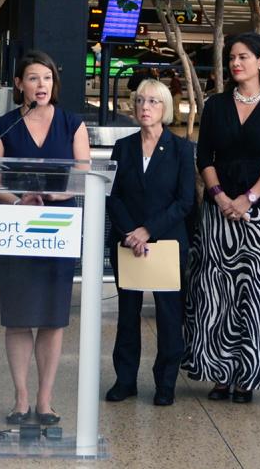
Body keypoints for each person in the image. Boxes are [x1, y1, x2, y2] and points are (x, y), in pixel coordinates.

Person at [182, 32, 260, 404]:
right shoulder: (215, 105)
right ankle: (219, 373)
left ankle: (248, 375)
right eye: (231, 57)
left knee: (257, 294)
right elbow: (204, 158)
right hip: (218, 213)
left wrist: (247, 199)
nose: (235, 63)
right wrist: (220, 197)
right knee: (216, 294)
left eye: (243, 56)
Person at [0, 50, 90, 425]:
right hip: (16, 229)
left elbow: (82, 175)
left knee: (51, 317)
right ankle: (21, 398)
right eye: (32, 78)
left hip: (57, 228)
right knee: (17, 317)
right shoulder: (3, 126)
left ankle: (45, 400)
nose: (41, 85)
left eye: (46, 78)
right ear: (19, 85)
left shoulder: (72, 124)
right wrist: (18, 200)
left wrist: (55, 195)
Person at [105, 79, 194, 407]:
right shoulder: (123, 147)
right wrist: (131, 232)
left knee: (170, 316)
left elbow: (185, 202)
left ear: (165, 108)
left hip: (167, 244)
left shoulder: (182, 149)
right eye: (140, 101)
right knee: (127, 313)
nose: (145, 107)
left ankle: (165, 382)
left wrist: (147, 231)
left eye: (153, 102)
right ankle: (125, 379)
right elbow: (113, 196)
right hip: (127, 244)